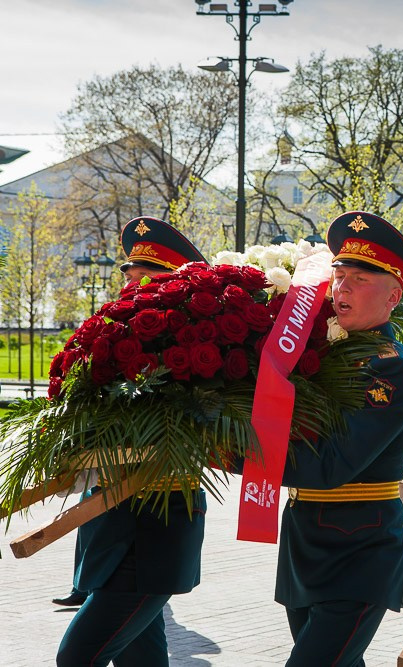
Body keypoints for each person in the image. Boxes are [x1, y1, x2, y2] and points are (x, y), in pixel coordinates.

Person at [57, 216, 209, 667]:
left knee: (77, 656)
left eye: (148, 278)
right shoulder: (112, 343)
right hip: (112, 525)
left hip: (159, 530)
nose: (134, 287)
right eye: (131, 276)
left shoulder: (202, 355)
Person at [276, 211, 403, 666]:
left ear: (393, 296)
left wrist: (238, 454)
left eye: (360, 279)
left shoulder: (389, 367)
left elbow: (332, 464)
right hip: (305, 539)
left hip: (359, 549)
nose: (342, 288)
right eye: (339, 276)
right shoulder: (322, 350)